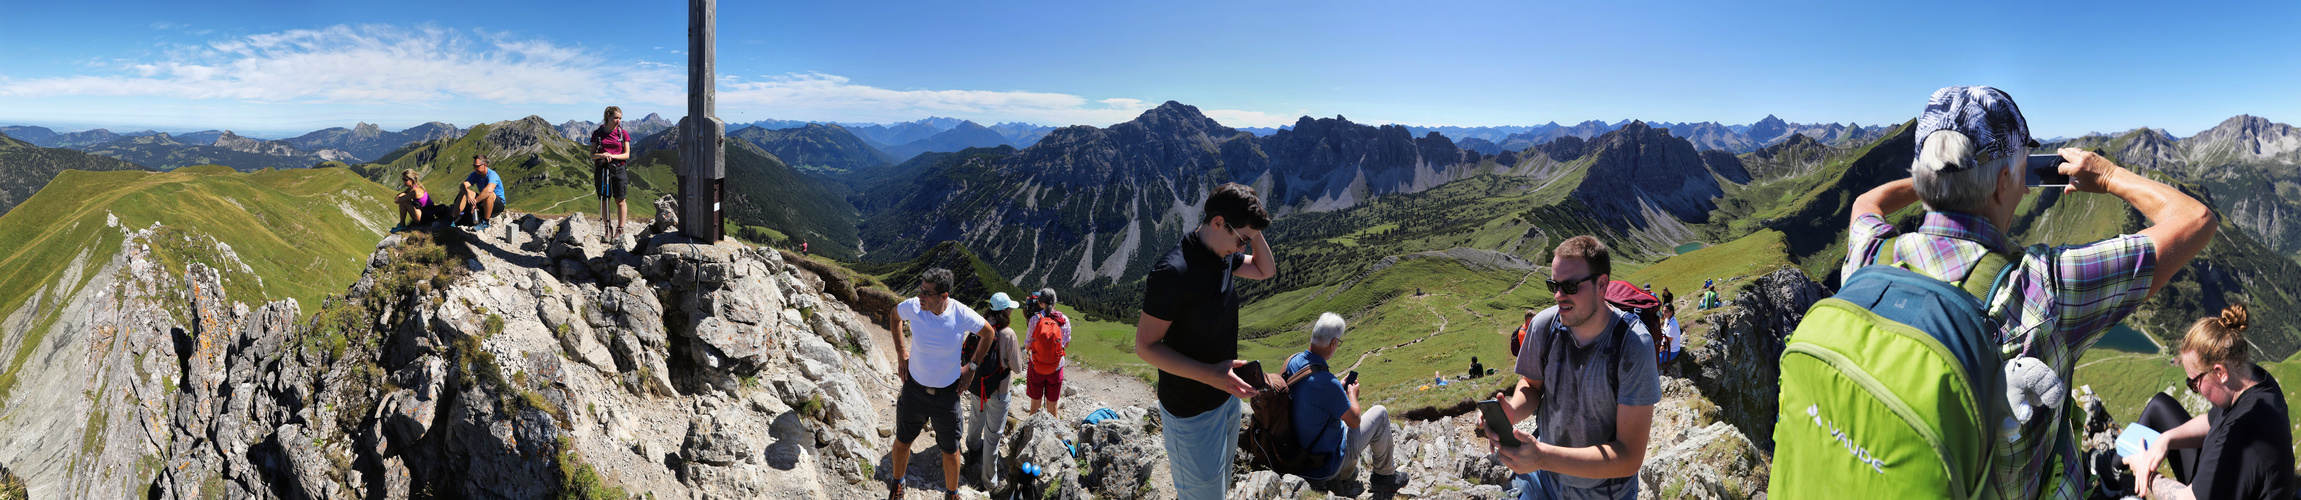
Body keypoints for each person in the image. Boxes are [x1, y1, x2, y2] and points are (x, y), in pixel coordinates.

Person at [1849, 86, 2217, 498]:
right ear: (2003, 182)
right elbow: (2195, 219)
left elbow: (1867, 201)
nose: (2026, 189)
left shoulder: (1870, 254)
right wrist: (2109, 176)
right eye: (2023, 171)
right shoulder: (2044, 287)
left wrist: (1941, 181)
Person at [1485, 235, 1660, 500]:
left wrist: (1543, 456)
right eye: (1553, 285)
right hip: (1543, 480)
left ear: (1601, 285)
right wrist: (1512, 411)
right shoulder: (1544, 326)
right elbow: (1531, 386)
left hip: (1603, 491)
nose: (1558, 296)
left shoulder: (1633, 345)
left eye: (1569, 286)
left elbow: (1629, 457)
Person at [1134, 182, 1277, 500]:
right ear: (1217, 223)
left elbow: (1266, 270)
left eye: (1247, 241)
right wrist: (1211, 375)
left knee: (1218, 488)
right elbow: (1145, 347)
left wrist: (1252, 230)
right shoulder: (1173, 273)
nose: (1242, 248)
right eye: (1241, 239)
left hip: (1225, 399)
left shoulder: (1223, 256)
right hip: (1191, 411)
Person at [2123, 305, 2291, 500]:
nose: (2195, 390)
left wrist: (2146, 474)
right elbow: (2210, 421)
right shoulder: (2251, 379)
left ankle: (2113, 472)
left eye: (2194, 382)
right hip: (2219, 480)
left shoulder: (2242, 434)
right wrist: (2165, 439)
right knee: (2159, 405)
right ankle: (2112, 467)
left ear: (2220, 372)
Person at [886, 268, 1000, 500]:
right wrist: (901, 353)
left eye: (927, 293)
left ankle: (952, 494)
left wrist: (972, 367)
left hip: (947, 395)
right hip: (914, 389)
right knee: (903, 440)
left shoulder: (960, 313)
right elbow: (894, 316)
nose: (920, 296)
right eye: (920, 289)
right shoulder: (915, 306)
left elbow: (989, 334)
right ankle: (898, 483)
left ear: (944, 296)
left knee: (950, 450)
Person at [1287, 312, 1410, 493]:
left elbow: (1313, 389)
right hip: (1324, 465)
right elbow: (1354, 421)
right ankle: (1384, 476)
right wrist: (1352, 394)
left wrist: (1338, 386)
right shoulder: (1327, 383)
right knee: (1381, 413)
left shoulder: (1292, 361)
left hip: (1296, 455)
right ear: (1333, 343)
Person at [963, 292, 1025, 492]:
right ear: (1005, 311)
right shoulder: (1008, 334)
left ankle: (972, 449)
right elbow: (1017, 368)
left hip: (976, 385)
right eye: (1010, 309)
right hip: (999, 391)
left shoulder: (979, 326)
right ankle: (989, 482)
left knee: (975, 417)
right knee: (993, 436)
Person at [1020, 288, 1072, 416]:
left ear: (1039, 302)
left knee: (1034, 406)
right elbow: (1066, 344)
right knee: (1052, 407)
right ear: (1055, 302)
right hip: (1056, 367)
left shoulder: (1034, 320)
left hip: (1036, 367)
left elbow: (1027, 347)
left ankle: (1031, 432)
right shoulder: (1063, 320)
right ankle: (1052, 433)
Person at [591, 106, 632, 243]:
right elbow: (592, 155)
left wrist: (611, 155)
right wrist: (601, 155)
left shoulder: (623, 133)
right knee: (604, 199)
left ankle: (620, 229)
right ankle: (607, 229)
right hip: (602, 169)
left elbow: (627, 154)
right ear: (608, 116)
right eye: (616, 117)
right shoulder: (597, 133)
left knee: (620, 199)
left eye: (620, 118)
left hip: (619, 169)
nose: (618, 121)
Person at [455, 154, 505, 230]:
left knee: (489, 193)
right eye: (474, 166)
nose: (475, 168)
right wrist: (468, 195)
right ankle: (452, 218)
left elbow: (489, 190)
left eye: (477, 166)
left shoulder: (492, 175)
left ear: (484, 165)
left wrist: (474, 201)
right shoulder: (475, 174)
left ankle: (485, 222)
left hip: (497, 204)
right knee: (465, 191)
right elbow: (463, 185)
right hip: (484, 202)